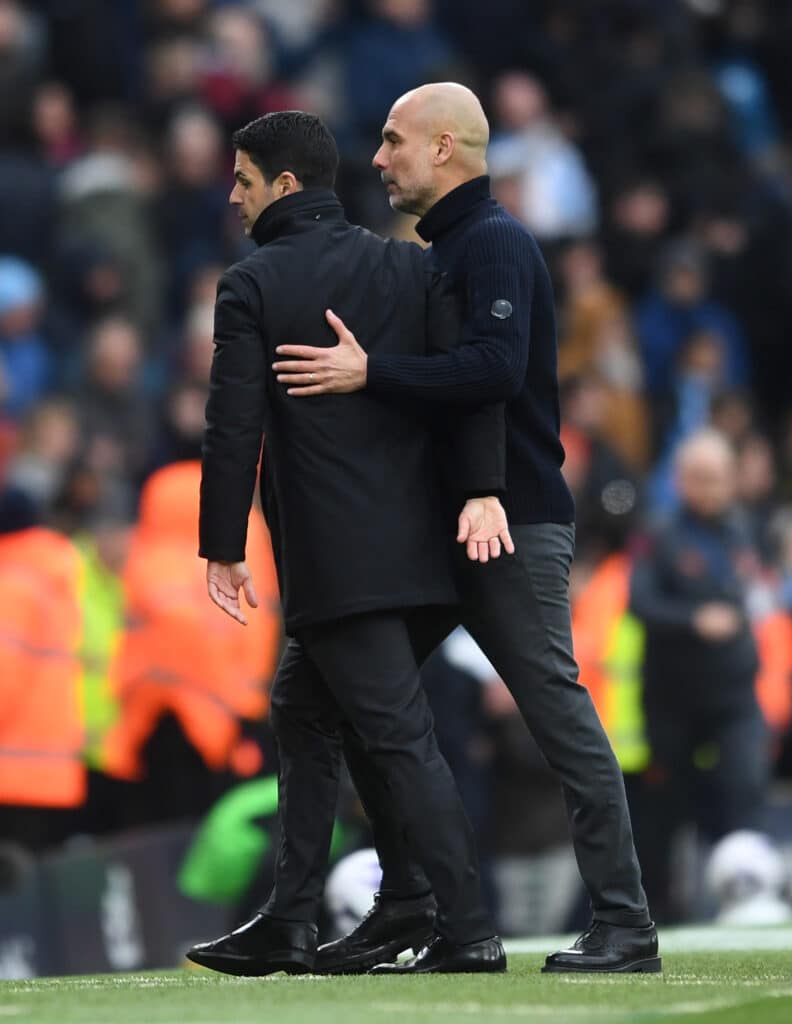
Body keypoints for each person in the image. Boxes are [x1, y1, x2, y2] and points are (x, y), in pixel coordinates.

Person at [273, 83, 659, 974]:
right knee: (337, 691)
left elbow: (491, 366)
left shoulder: (493, 242)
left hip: (511, 523)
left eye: (393, 141)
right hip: (443, 529)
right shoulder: (445, 248)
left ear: (445, 148)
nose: (378, 159)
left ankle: (626, 922)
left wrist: (372, 374)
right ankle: (405, 903)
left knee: (556, 714)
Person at [187, 111, 508, 977]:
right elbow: (466, 391)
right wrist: (481, 491)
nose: (234, 195)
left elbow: (233, 427)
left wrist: (222, 543)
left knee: (399, 740)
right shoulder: (410, 266)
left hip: (340, 562)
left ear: (285, 186)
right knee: (303, 708)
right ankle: (304, 915)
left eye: (245, 180)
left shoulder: (252, 282)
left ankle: (469, 929)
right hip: (423, 550)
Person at [629, 429, 770, 922]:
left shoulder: (744, 530)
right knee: (665, 809)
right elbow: (639, 603)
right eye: (698, 478)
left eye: (718, 479)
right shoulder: (659, 533)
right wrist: (694, 619)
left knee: (744, 786)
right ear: (680, 479)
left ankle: (748, 895)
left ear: (732, 481)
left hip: (733, 695)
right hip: (673, 698)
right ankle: (659, 913)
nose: (709, 488)